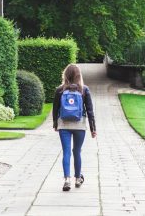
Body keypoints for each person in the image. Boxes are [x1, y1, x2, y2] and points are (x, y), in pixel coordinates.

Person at [53, 64, 97, 192]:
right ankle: (78, 179)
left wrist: (56, 124)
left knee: (66, 152)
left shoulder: (60, 90)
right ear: (79, 75)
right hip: (79, 125)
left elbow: (55, 109)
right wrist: (93, 128)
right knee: (77, 151)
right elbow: (90, 111)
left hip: (64, 125)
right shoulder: (84, 90)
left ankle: (67, 179)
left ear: (65, 75)